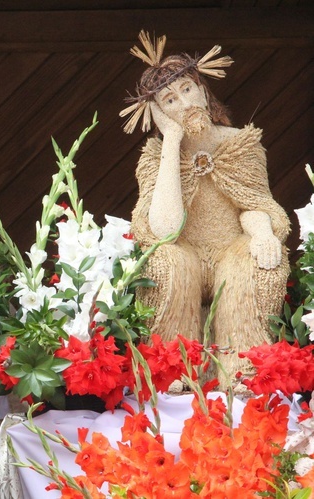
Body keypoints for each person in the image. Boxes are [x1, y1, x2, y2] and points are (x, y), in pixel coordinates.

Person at [122, 31, 290, 383]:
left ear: (202, 89)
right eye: (168, 101)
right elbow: (164, 230)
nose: (183, 104)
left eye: (186, 89)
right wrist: (170, 141)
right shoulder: (156, 156)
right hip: (187, 256)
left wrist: (261, 233)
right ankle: (175, 371)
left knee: (261, 257)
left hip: (231, 252)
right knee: (164, 259)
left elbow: (255, 203)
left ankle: (244, 370)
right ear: (157, 114)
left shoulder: (240, 144)